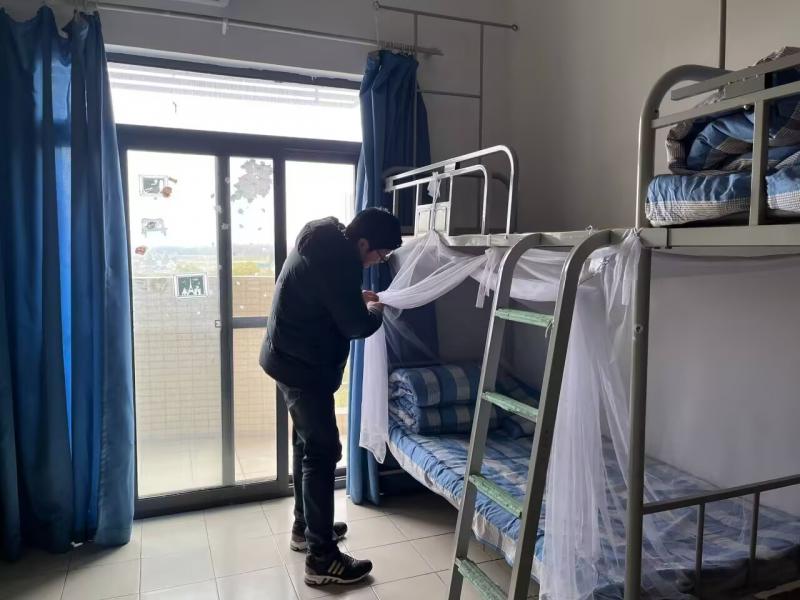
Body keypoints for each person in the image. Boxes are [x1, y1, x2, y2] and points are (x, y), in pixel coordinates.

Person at [260, 207, 402, 586]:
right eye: (380, 254)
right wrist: (373, 308)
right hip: (301, 368)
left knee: (306, 445)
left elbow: (327, 297)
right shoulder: (340, 259)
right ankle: (322, 559)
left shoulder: (324, 243)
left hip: (286, 358)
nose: (378, 261)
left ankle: (305, 528)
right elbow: (356, 325)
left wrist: (355, 298)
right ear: (364, 243)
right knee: (323, 451)